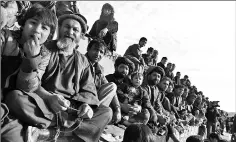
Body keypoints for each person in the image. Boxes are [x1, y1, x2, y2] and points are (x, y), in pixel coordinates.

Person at [5, 13, 112, 142]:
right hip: (45, 102)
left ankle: (50, 133)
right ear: (59, 29)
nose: (70, 32)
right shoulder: (46, 49)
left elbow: (88, 89)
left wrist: (86, 106)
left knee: (106, 112)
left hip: (72, 107)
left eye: (75, 30)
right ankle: (71, 133)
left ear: (81, 36)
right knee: (15, 98)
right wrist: (49, 97)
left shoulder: (83, 61)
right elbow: (31, 82)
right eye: (66, 27)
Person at [1, 5, 57, 142]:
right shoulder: (6, 38)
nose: (37, 30)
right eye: (32, 23)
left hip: (15, 97)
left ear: (49, 35)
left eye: (44, 28)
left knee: (16, 96)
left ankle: (53, 127)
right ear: (23, 24)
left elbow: (28, 88)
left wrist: (32, 59)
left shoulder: (44, 55)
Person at [85, 39, 121, 124]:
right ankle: (91, 116)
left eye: (101, 52)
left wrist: (118, 109)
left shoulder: (99, 69)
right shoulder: (80, 60)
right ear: (88, 49)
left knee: (112, 87)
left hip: (92, 100)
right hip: (80, 97)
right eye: (95, 50)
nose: (98, 54)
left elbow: (110, 88)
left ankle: (92, 114)